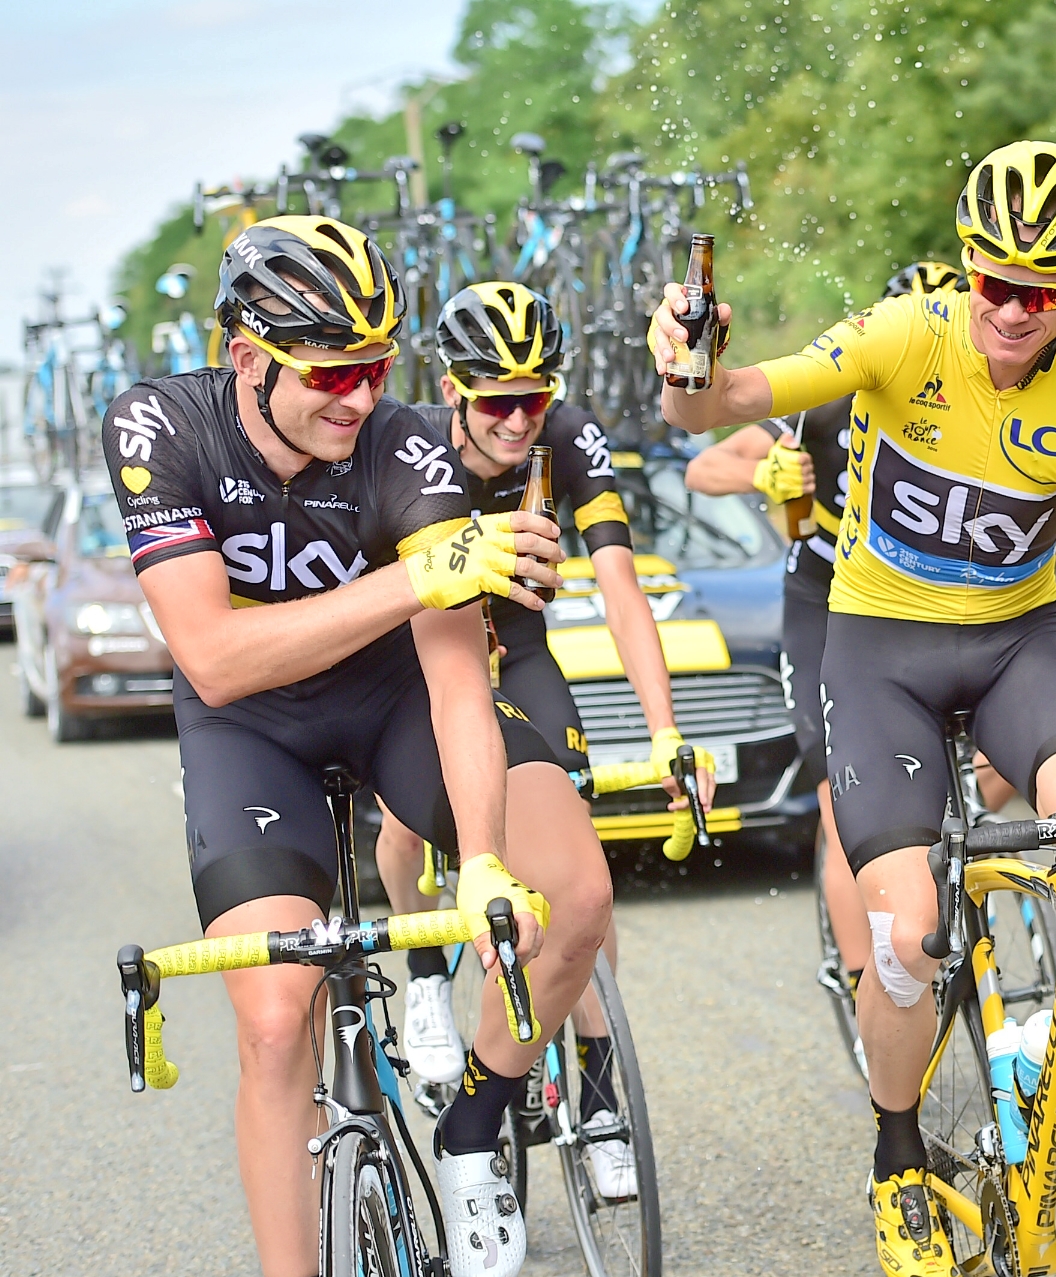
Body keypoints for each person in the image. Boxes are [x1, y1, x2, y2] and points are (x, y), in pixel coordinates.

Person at [651, 142, 1056, 1277]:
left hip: (1017, 644)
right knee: (905, 933)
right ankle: (899, 1152)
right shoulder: (908, 333)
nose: (1011, 309)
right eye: (994, 280)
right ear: (965, 265)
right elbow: (725, 404)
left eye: (1042, 293)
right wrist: (685, 359)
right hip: (880, 652)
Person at [103, 216, 612, 1277]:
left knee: (573, 892)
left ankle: (478, 1126)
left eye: (377, 367)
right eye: (332, 372)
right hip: (251, 728)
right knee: (280, 1019)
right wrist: (423, 573)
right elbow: (213, 659)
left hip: (392, 700)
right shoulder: (162, 425)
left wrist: (476, 863)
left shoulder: (405, 444)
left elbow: (457, 677)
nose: (362, 396)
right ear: (247, 357)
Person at [370, 281, 711, 1200]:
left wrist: (667, 728)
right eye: (497, 400)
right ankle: (424, 976)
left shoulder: (565, 440)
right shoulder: (401, 442)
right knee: (410, 825)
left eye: (537, 394)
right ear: (451, 390)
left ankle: (595, 1088)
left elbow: (622, 586)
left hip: (517, 649)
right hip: (424, 654)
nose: (521, 419)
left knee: (574, 875)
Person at [684, 261, 1010, 1073]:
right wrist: (762, 472)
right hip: (826, 596)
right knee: (841, 797)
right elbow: (702, 464)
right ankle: (870, 973)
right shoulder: (837, 390)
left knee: (1001, 763)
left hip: (924, 599)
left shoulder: (984, 394)